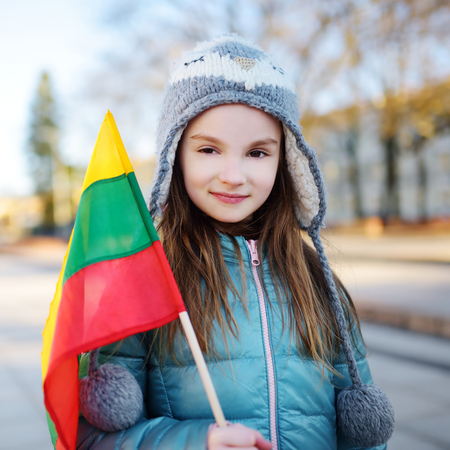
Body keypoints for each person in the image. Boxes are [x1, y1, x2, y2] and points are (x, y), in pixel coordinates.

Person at [77, 35, 393, 450]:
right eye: (209, 149)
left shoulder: (316, 280)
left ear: (286, 160)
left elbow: (362, 436)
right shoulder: (146, 280)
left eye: (257, 153)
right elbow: (94, 437)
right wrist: (197, 442)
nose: (232, 174)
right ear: (176, 156)